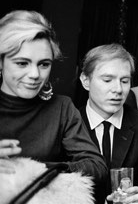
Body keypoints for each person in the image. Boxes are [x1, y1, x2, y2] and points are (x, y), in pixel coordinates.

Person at [0, 10, 107, 192]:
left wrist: (42, 170)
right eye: (22, 63)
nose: (35, 75)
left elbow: (97, 166)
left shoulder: (61, 108)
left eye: (44, 64)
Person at [79, 43, 138, 204]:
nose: (118, 89)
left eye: (124, 81)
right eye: (107, 80)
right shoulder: (67, 123)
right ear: (85, 81)